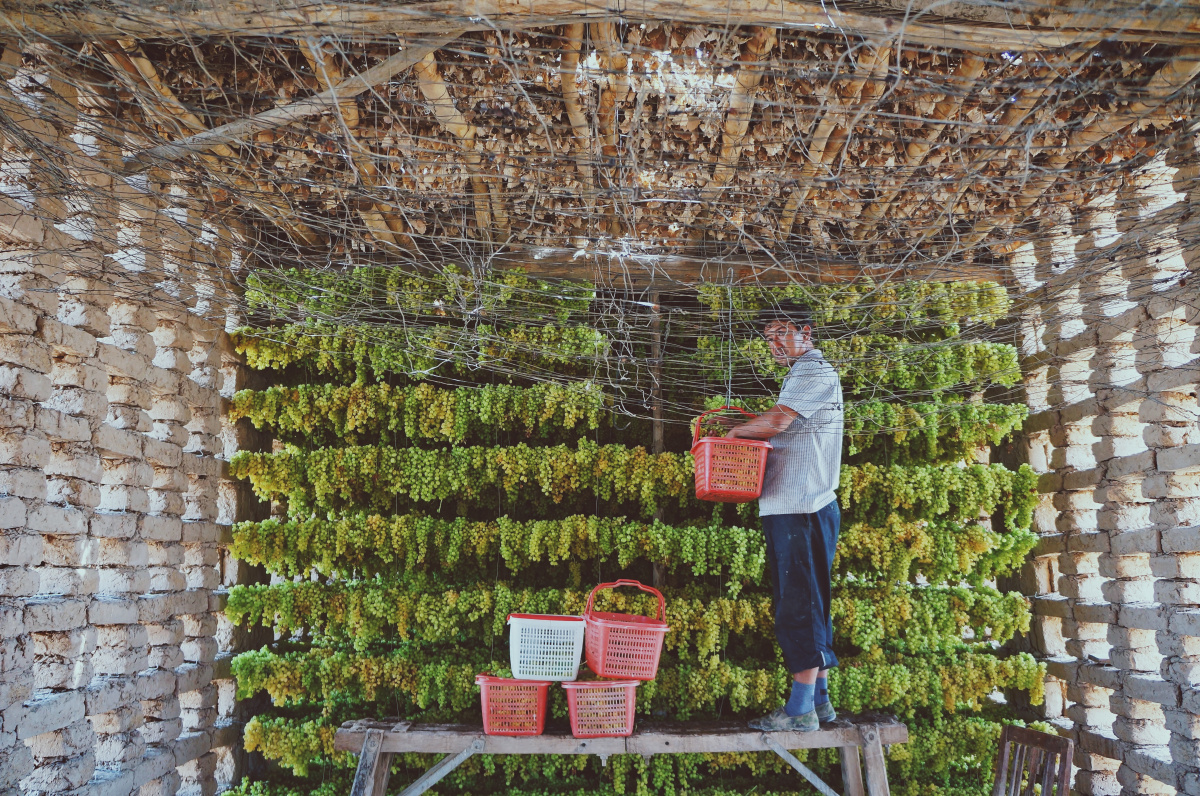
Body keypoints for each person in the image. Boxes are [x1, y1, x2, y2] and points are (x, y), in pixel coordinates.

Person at [721, 299, 844, 732]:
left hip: (802, 507)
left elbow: (777, 421)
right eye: (768, 337)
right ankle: (822, 702)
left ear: (805, 332)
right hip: (798, 506)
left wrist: (736, 432)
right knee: (811, 603)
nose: (774, 343)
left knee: (799, 607)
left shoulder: (813, 369)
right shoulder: (801, 374)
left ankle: (800, 711)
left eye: (781, 333)